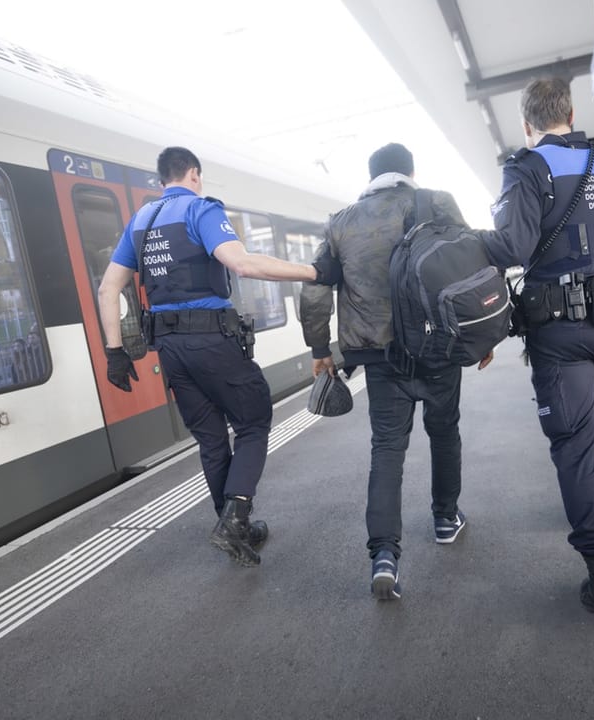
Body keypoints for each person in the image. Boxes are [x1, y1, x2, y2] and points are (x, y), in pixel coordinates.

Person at [473, 78, 594, 622]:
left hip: (561, 331)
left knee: (573, 439)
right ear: (570, 111)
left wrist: (467, 240)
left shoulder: (527, 168)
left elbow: (511, 246)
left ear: (527, 123)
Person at [97, 146, 320, 568]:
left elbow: (109, 289)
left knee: (212, 440)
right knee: (253, 422)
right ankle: (235, 516)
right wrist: (313, 272)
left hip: (171, 351)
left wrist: (115, 352)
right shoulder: (200, 210)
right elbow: (242, 263)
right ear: (194, 174)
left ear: (162, 179)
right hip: (212, 341)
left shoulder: (139, 222)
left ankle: (234, 526)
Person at [300, 143, 479, 601]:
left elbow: (317, 287)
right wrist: (483, 338)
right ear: (410, 172)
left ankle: (384, 555)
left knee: (387, 451)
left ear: (371, 176)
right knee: (444, 433)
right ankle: (445, 518)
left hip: (379, 359)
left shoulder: (341, 222)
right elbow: (470, 264)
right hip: (437, 348)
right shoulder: (434, 202)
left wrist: (320, 347)